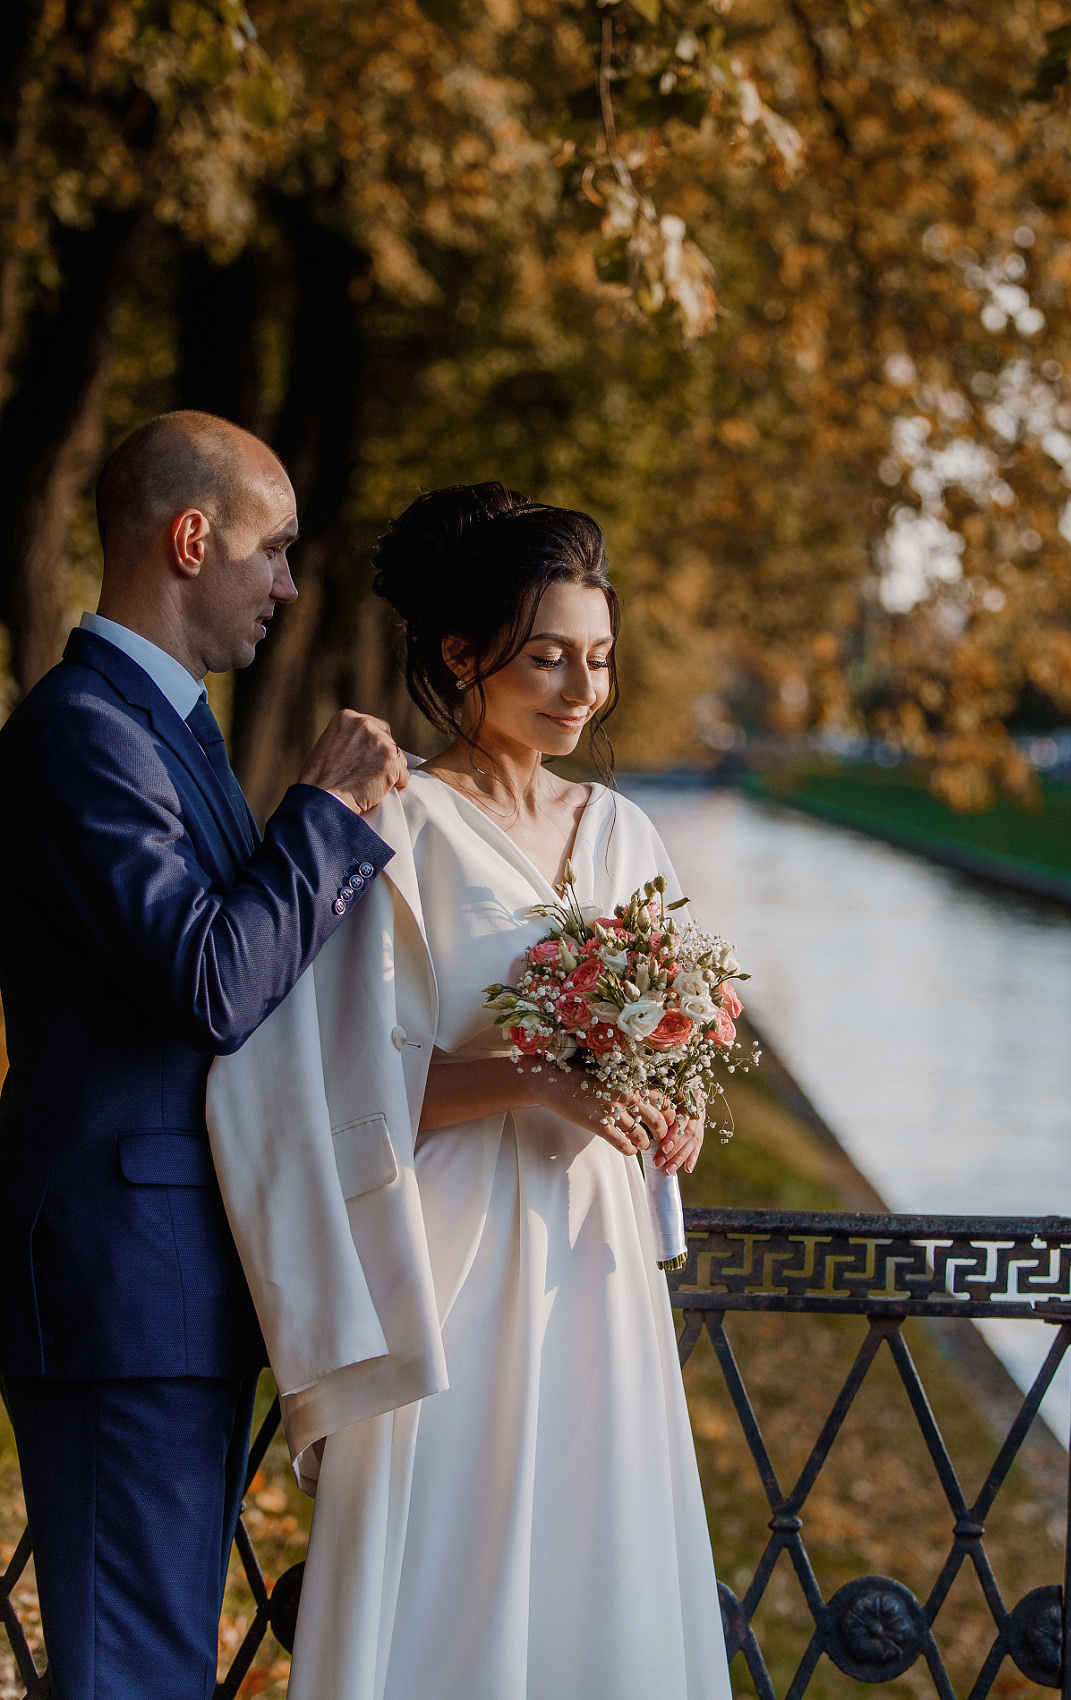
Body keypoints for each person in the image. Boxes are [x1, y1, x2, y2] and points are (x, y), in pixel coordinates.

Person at [224, 482, 732, 1700]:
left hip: (597, 1261)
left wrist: (680, 1099)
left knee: (595, 1558)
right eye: (549, 654)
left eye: (598, 658)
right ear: (463, 654)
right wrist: (532, 1078)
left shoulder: (626, 833)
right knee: (454, 1569)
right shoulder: (402, 823)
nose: (581, 687)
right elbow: (340, 1080)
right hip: (454, 1258)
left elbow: (679, 1024)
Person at [0, 410, 410, 1700]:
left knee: (160, 1660)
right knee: (135, 1673)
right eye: (275, 551)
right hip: (126, 1296)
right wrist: (327, 813)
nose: (289, 585)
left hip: (178, 1282)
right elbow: (214, 979)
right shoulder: (85, 730)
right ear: (193, 538)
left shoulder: (165, 726)